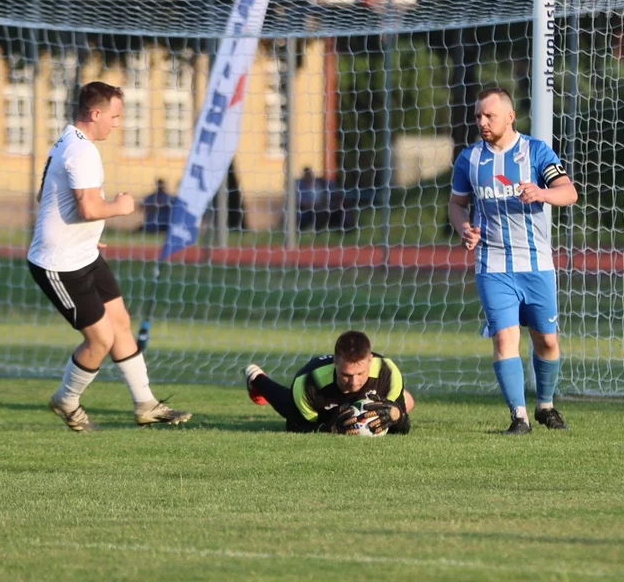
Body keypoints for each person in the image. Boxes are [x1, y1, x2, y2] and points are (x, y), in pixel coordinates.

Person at [28, 81, 191, 432]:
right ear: (95, 113)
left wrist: (86, 238)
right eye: (114, 116)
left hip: (82, 253)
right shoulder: (80, 150)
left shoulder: (70, 141)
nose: (117, 124)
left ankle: (146, 403)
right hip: (59, 264)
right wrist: (121, 207)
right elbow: (87, 207)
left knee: (120, 324)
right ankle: (66, 399)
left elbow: (50, 198)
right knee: (100, 338)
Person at [448, 87, 578, 434]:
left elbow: (569, 192)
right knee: (504, 339)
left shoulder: (536, 152)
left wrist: (542, 193)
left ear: (509, 116)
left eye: (489, 115)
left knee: (546, 340)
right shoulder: (469, 159)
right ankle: (518, 416)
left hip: (536, 266)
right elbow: (456, 204)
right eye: (478, 116)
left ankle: (545, 405)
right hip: (493, 266)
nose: (482, 122)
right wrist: (464, 228)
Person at [243, 330, 415, 435]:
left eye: (360, 373)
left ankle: (401, 395)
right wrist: (330, 428)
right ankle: (257, 378)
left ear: (370, 361)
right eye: (346, 375)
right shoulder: (308, 384)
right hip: (322, 406)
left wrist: (396, 416)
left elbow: (402, 427)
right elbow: (297, 428)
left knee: (408, 403)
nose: (354, 382)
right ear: (335, 362)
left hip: (373, 392)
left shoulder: (388, 374)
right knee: (288, 406)